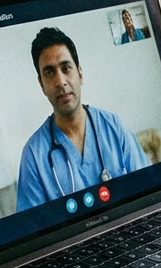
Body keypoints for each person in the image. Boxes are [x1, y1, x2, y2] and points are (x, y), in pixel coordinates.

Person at [16, 26, 149, 212]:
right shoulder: (33, 155)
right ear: (42, 85)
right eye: (49, 72)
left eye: (66, 68)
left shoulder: (113, 126)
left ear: (80, 74)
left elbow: (149, 190)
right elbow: (32, 230)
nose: (61, 81)